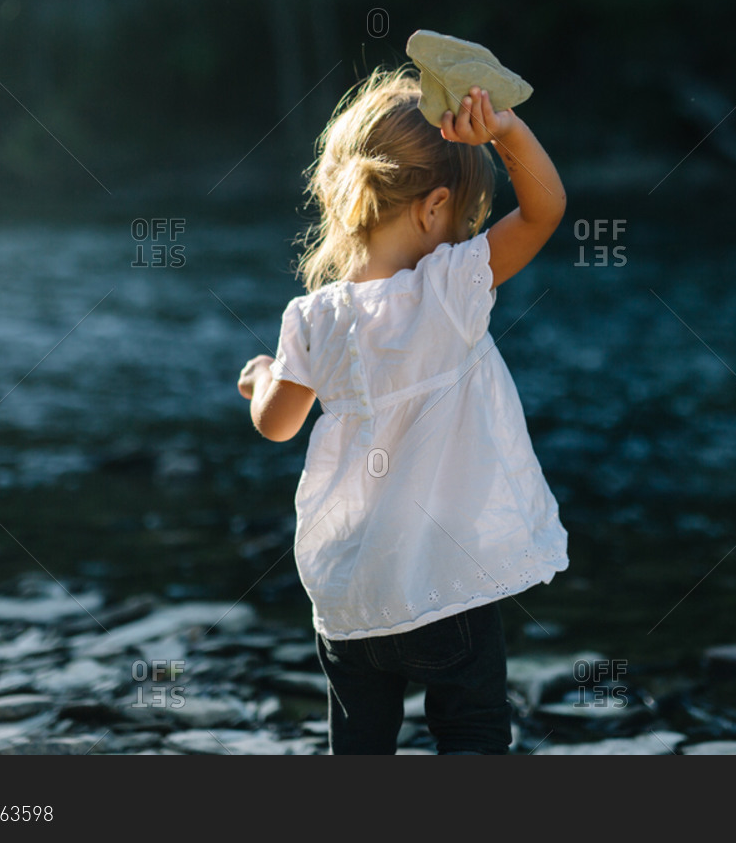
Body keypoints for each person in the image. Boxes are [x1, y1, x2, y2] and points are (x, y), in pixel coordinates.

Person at [237, 63, 569, 754]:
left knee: (359, 751)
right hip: (451, 582)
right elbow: (545, 211)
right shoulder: (450, 289)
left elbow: (276, 425)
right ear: (435, 207)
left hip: (353, 595)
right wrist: (504, 129)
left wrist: (266, 375)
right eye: (468, 217)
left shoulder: (312, 316)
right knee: (471, 735)